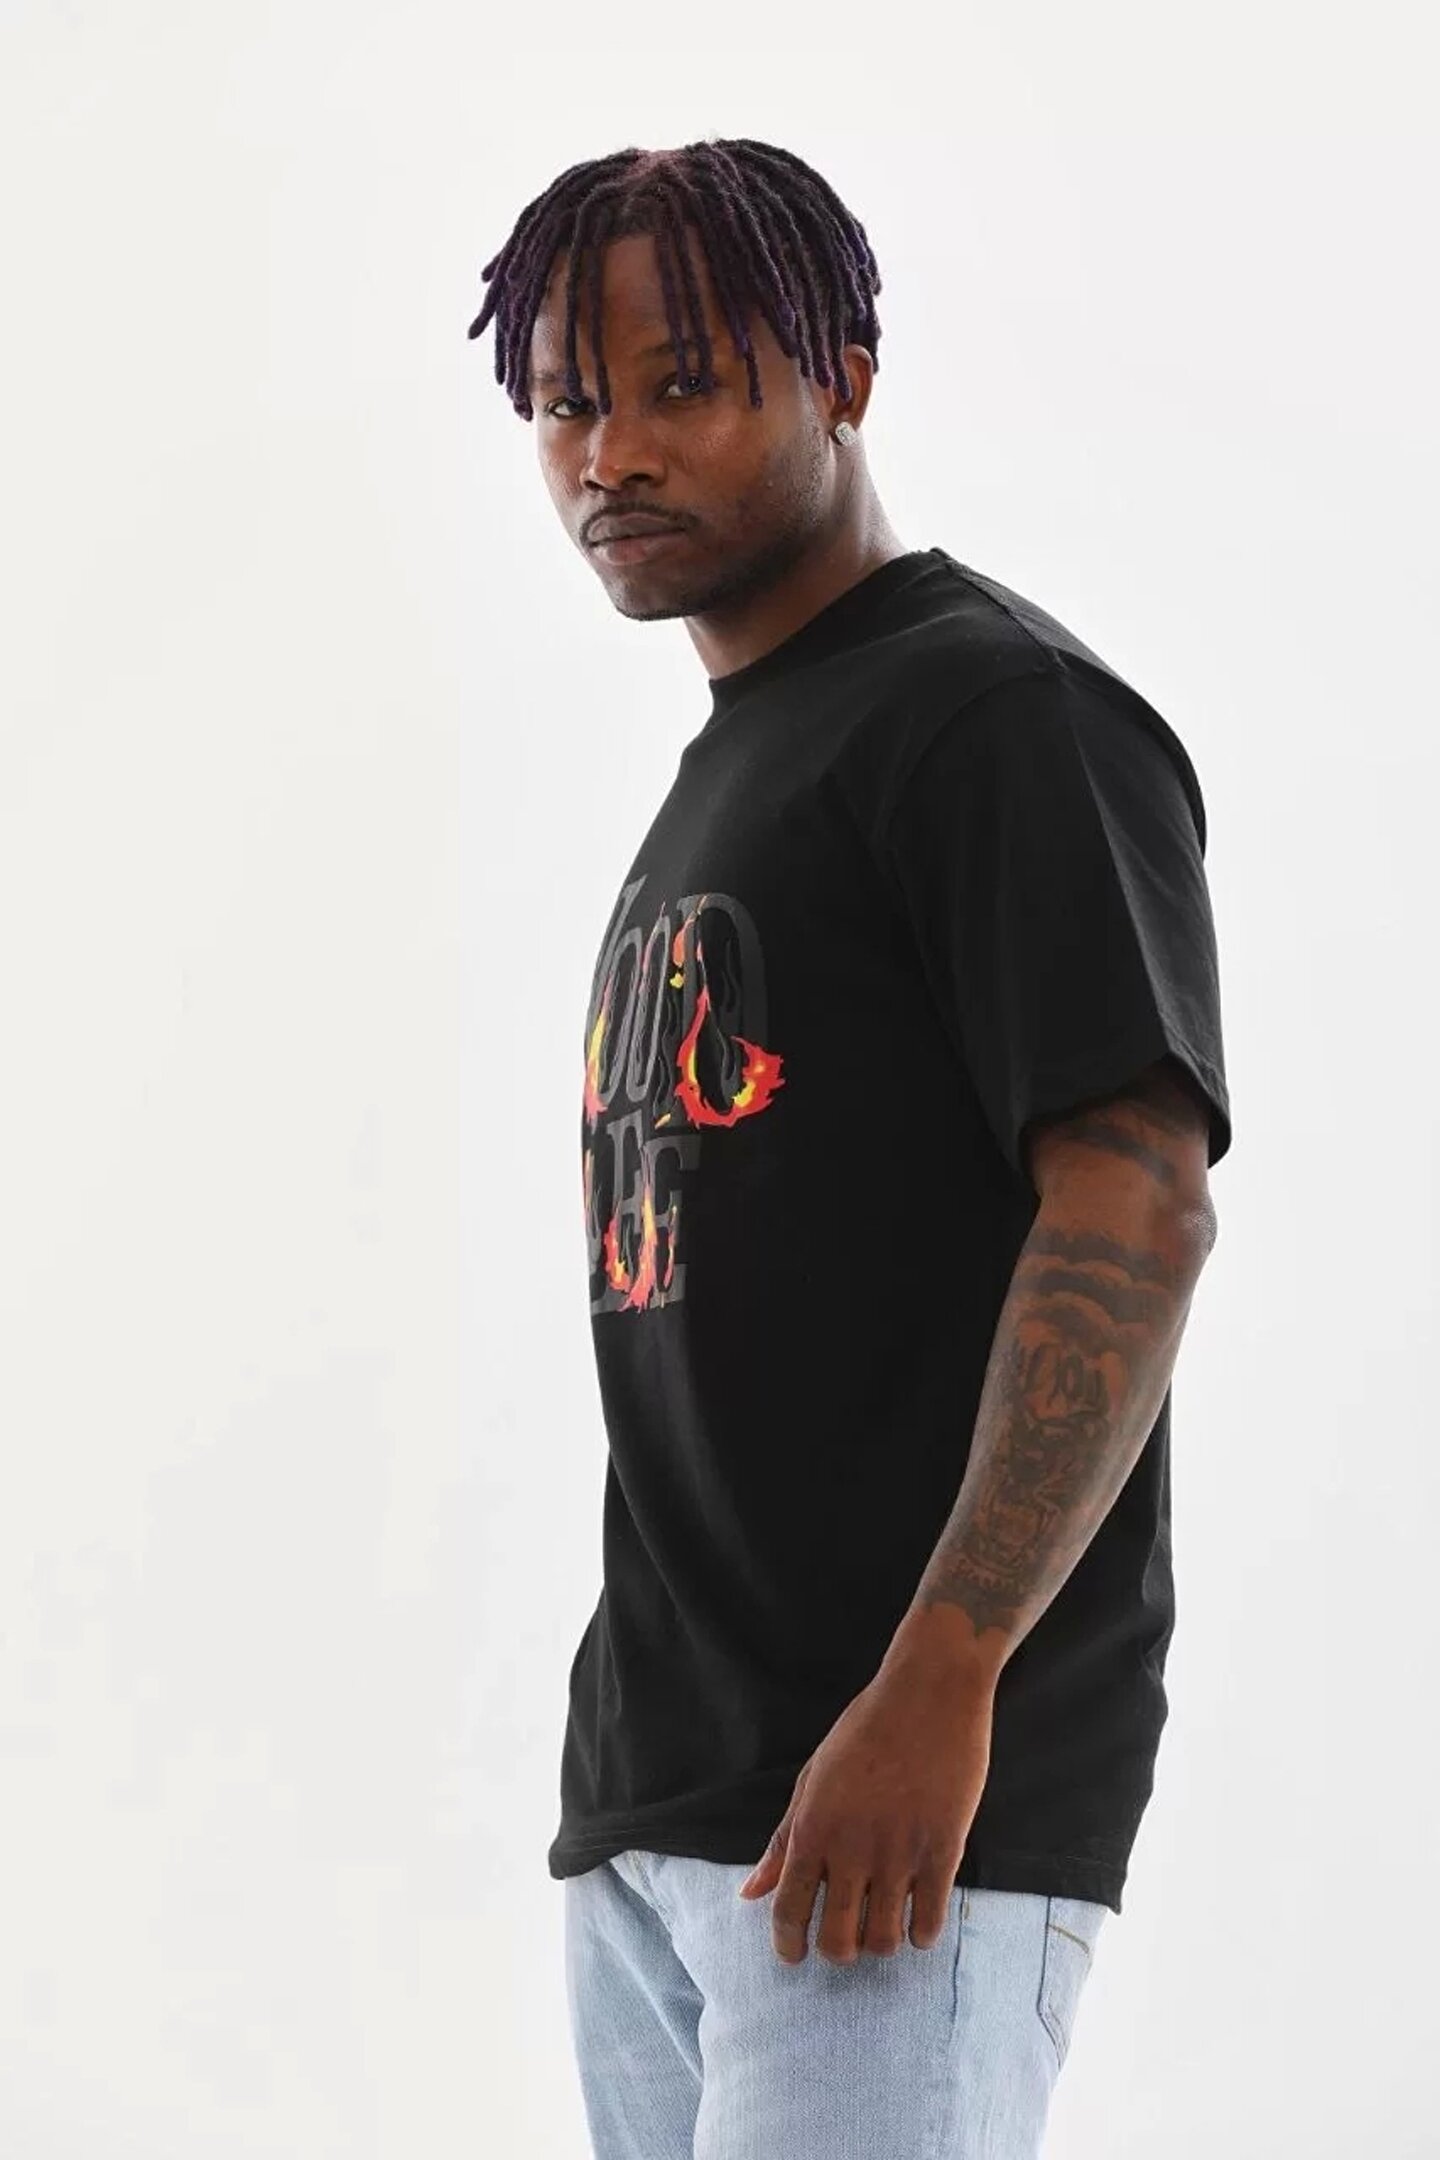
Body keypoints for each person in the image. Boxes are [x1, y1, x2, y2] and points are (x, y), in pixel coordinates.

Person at [467, 136, 1232, 2160]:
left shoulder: (996, 718)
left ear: (846, 377)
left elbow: (1138, 1202)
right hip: (665, 1805)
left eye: (682, 384)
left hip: (896, 1819)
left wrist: (942, 1684)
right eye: (565, 401)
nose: (612, 454)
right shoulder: (738, 766)